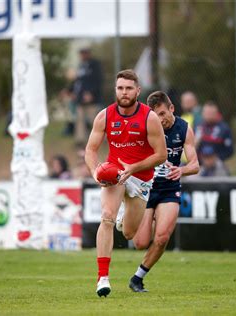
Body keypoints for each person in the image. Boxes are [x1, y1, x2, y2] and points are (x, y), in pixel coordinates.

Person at [85, 69, 167, 297]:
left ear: (138, 91)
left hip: (140, 177)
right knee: (106, 216)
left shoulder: (150, 117)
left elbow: (161, 155)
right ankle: (102, 278)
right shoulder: (104, 116)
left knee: (130, 234)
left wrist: (134, 168)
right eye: (120, 88)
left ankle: (123, 216)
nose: (124, 92)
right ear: (115, 90)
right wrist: (95, 173)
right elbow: (90, 150)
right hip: (116, 174)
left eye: (129, 88)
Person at [126, 91, 199, 292]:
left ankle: (137, 278)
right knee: (140, 243)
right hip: (147, 187)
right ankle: (132, 216)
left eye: (162, 113)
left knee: (162, 238)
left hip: (169, 188)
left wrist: (181, 170)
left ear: (172, 109)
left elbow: (195, 165)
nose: (160, 119)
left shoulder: (184, 129)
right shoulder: (147, 128)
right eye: (155, 115)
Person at [74, 47, 103, 146]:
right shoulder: (81, 66)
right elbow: (78, 81)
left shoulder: (95, 65)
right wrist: (71, 91)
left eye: (84, 53)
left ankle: (100, 139)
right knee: (80, 119)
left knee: (94, 120)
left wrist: (91, 93)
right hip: (80, 98)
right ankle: (80, 140)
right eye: (81, 54)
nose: (82, 56)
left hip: (92, 99)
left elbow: (98, 80)